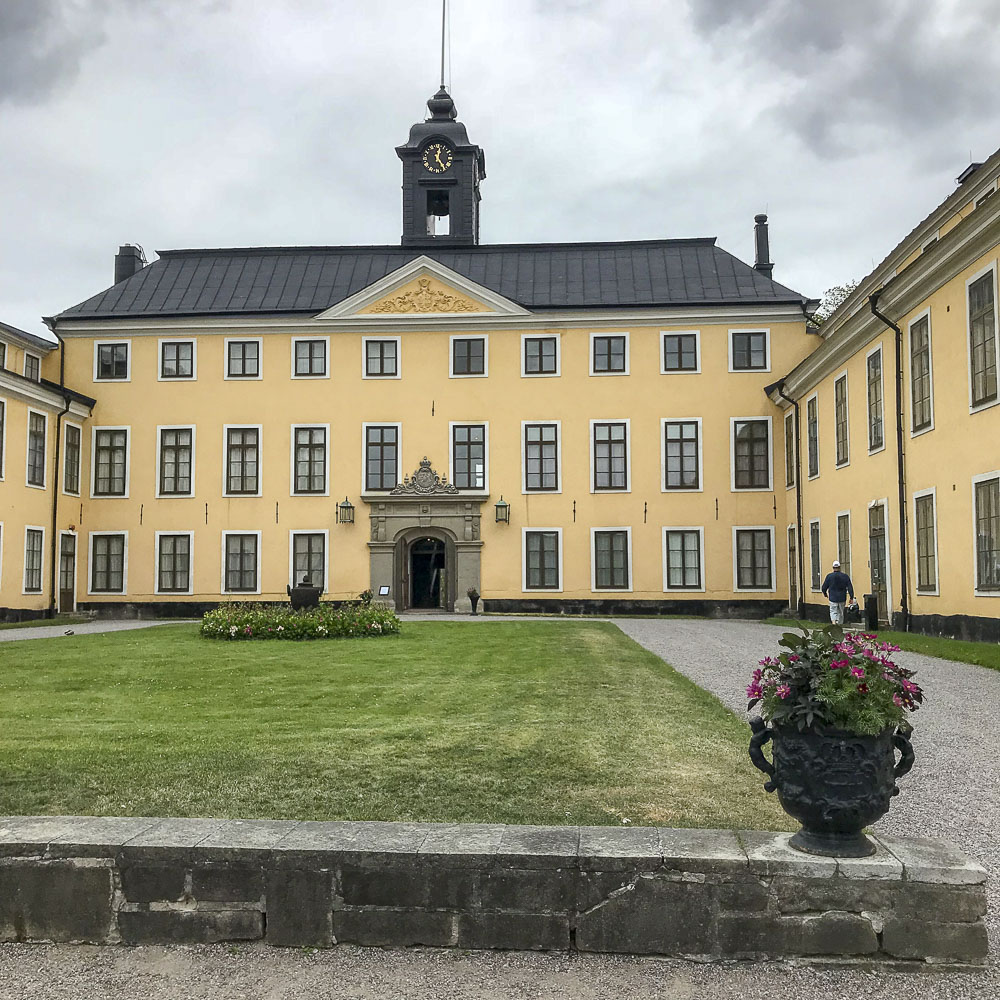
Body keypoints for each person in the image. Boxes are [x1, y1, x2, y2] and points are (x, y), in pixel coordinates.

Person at [821, 560, 855, 625]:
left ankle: (834, 623)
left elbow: (824, 587)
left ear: (833, 568)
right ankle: (839, 625)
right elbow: (850, 587)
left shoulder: (829, 576)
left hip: (832, 597)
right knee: (841, 612)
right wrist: (851, 597)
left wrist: (825, 593)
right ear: (839, 567)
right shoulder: (845, 576)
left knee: (833, 611)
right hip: (842, 597)